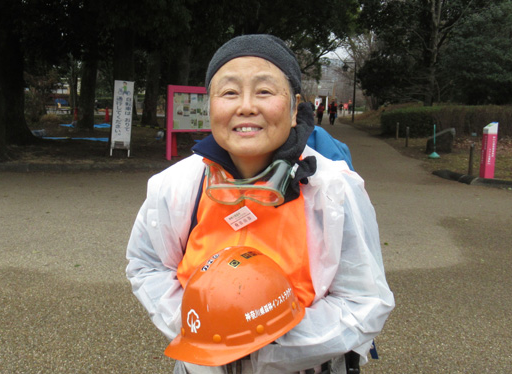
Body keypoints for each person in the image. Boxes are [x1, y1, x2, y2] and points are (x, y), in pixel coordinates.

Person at [126, 34, 394, 374]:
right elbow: (147, 264)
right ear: (210, 105)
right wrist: (205, 329)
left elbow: (364, 300)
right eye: (229, 92)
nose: (246, 106)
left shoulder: (334, 190)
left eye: (265, 91)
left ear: (296, 108)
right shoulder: (177, 185)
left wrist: (263, 345)